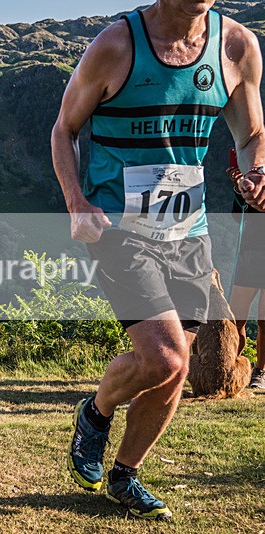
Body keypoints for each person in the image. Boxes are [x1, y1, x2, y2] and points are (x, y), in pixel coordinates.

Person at [51, 0, 265, 520]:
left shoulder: (236, 46)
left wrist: (257, 170)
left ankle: (125, 473)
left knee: (173, 368)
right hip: (118, 229)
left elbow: (252, 134)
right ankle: (96, 412)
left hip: (188, 231)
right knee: (167, 355)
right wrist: (77, 203)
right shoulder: (115, 46)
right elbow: (64, 130)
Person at [227, 162, 265, 388]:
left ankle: (260, 371)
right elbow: (238, 216)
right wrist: (239, 189)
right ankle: (230, 365)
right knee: (235, 318)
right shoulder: (256, 174)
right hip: (250, 251)